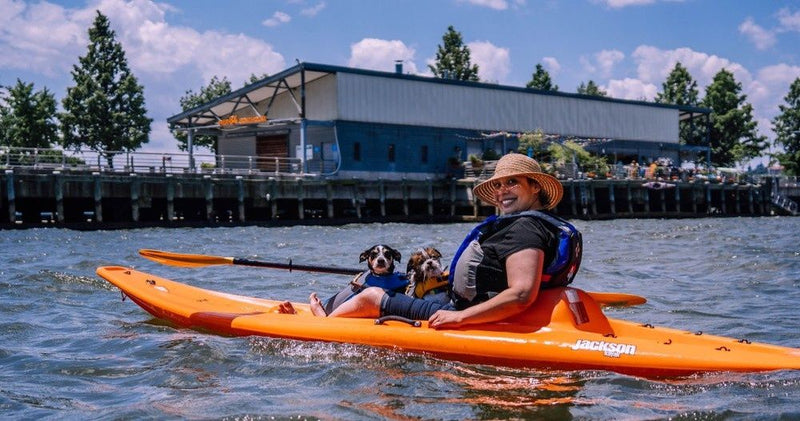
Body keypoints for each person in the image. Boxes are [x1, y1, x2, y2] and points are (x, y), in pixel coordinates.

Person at [284, 153, 582, 329]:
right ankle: (337, 310)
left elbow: (520, 294)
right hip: (461, 302)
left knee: (371, 295)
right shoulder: (533, 225)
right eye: (499, 184)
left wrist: (461, 319)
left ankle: (322, 325)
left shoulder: (525, 228)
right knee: (410, 294)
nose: (503, 191)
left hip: (465, 312)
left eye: (512, 182)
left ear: (535, 188)